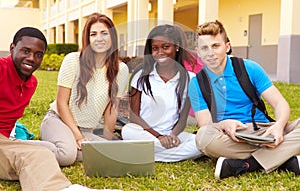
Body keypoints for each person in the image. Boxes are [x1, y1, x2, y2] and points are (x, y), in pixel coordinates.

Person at [0, 27, 116, 191]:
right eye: (25, 51)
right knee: (37, 154)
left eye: (38, 55)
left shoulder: (31, 83)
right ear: (12, 48)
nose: (31, 58)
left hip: (5, 142)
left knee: (41, 153)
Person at [188, 20, 300, 179]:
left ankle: (247, 165)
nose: (210, 53)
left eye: (215, 46)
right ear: (198, 52)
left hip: (263, 129)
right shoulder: (196, 83)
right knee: (203, 137)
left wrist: (279, 126)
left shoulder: (249, 68)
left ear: (227, 47)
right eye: (204, 48)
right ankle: (283, 158)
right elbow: (204, 123)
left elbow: (280, 103)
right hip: (232, 137)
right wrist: (224, 124)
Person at [40, 13, 129, 166]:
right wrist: (78, 137)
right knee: (67, 155)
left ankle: (66, 145)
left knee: (108, 153)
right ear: (87, 39)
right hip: (58, 120)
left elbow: (111, 109)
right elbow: (62, 103)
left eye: (104, 33)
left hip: (87, 130)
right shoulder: (73, 60)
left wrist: (105, 143)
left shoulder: (121, 69)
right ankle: (22, 146)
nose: (99, 38)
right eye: (93, 34)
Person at [121, 24, 202, 162]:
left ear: (176, 47)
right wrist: (159, 137)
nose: (160, 52)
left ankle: (145, 154)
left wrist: (172, 136)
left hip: (172, 136)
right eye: (155, 48)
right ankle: (169, 155)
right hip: (145, 134)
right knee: (128, 130)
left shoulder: (189, 78)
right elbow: (134, 117)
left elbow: (182, 120)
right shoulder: (140, 75)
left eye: (165, 47)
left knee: (200, 143)